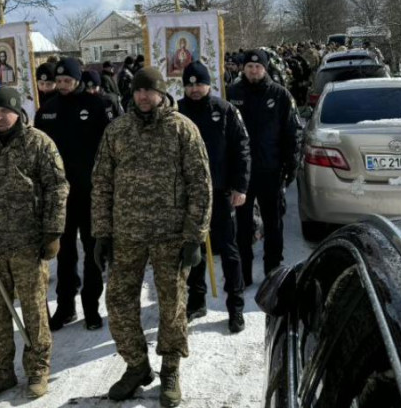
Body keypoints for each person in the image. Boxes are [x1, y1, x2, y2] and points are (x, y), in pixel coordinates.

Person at [92, 67, 212, 407]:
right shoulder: (117, 130)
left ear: (162, 93)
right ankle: (136, 365)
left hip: (170, 235)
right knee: (117, 301)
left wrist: (195, 236)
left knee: (172, 304)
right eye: (139, 91)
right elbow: (101, 183)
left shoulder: (182, 129)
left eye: (150, 91)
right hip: (127, 234)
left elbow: (201, 185)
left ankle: (170, 366)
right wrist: (102, 233)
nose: (143, 97)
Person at [0, 86, 69, 402]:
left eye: (5, 111)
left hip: (28, 244)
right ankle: (0, 374)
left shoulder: (38, 143)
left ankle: (38, 369)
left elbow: (57, 188)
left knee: (34, 310)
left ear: (17, 112)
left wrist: (53, 233)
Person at [34, 57, 113, 331]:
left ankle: (91, 307)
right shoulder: (46, 111)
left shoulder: (96, 106)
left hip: (91, 194)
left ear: (78, 79)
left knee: (93, 252)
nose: (63, 85)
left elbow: (109, 150)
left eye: (68, 80)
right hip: (59, 197)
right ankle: (65, 307)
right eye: (59, 81)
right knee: (64, 253)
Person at [176, 62, 250, 333]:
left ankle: (236, 307)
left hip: (220, 193)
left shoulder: (225, 110)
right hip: (187, 195)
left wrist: (240, 187)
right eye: (190, 84)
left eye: (199, 84)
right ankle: (197, 301)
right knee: (192, 248)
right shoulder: (177, 113)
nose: (195, 89)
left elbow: (242, 149)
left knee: (229, 251)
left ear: (209, 84)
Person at [228, 49, 299, 285]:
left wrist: (291, 165)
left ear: (265, 69)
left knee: (273, 222)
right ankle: (244, 273)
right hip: (242, 174)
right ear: (243, 69)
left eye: (258, 67)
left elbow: (292, 132)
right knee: (243, 225)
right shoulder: (233, 93)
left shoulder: (279, 95)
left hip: (271, 169)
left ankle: (273, 269)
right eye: (249, 67)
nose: (254, 71)